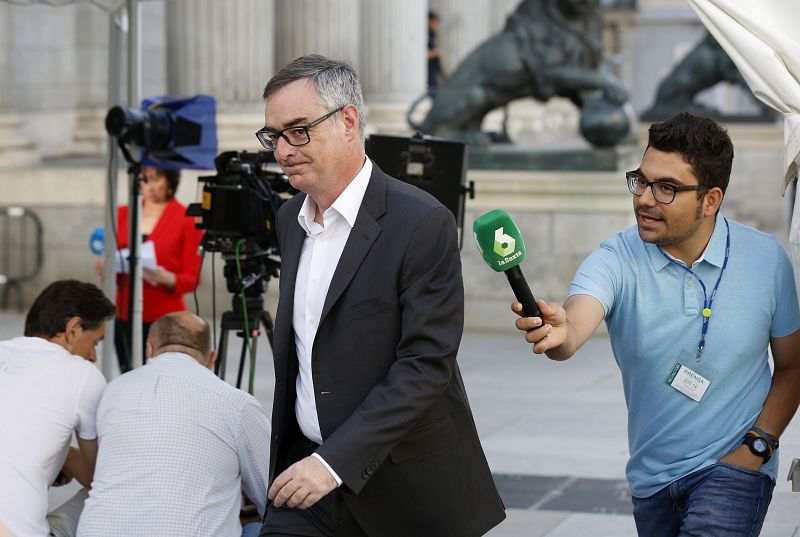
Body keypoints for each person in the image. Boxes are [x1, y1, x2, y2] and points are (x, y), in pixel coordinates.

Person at [254, 54, 505, 537]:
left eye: (298, 130)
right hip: (306, 478)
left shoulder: (422, 221)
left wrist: (334, 463)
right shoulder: (290, 220)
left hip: (404, 490)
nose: (282, 150)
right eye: (273, 136)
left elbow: (426, 363)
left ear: (347, 121)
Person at [514, 112, 800, 536]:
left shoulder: (766, 260)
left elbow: (793, 366)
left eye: (667, 188)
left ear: (711, 200)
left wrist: (758, 445)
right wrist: (560, 332)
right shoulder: (616, 258)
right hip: (652, 480)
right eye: (642, 181)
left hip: (734, 472)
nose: (645, 198)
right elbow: (573, 326)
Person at [77, 311, 270, 537]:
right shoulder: (238, 403)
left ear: (149, 350)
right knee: (258, 528)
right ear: (211, 359)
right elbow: (272, 495)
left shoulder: (113, 390)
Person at [0, 280, 115, 537]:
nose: (93, 357)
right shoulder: (83, 373)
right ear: (73, 329)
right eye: (95, 342)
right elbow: (97, 474)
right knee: (112, 485)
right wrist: (66, 455)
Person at [96, 165, 204, 373]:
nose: (149, 185)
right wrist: (105, 266)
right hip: (123, 311)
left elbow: (192, 278)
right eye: (144, 179)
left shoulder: (187, 219)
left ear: (170, 181)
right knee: (128, 373)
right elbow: (108, 255)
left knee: (160, 374)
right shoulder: (122, 213)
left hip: (163, 315)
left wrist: (166, 277)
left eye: (155, 179)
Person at [427, 10, 444, 92]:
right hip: (427, 72)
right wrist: (435, 53)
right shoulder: (424, 34)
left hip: (433, 72)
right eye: (435, 22)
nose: (437, 25)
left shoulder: (432, 34)